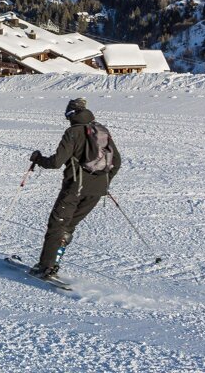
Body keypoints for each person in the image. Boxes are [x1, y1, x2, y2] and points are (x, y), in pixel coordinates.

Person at [27, 97, 121, 280]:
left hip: (75, 188)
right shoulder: (102, 130)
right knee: (69, 226)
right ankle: (53, 264)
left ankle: (45, 267)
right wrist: (104, 183)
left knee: (57, 225)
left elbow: (56, 162)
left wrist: (37, 158)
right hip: (97, 191)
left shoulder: (73, 132)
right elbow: (116, 162)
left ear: (71, 114)